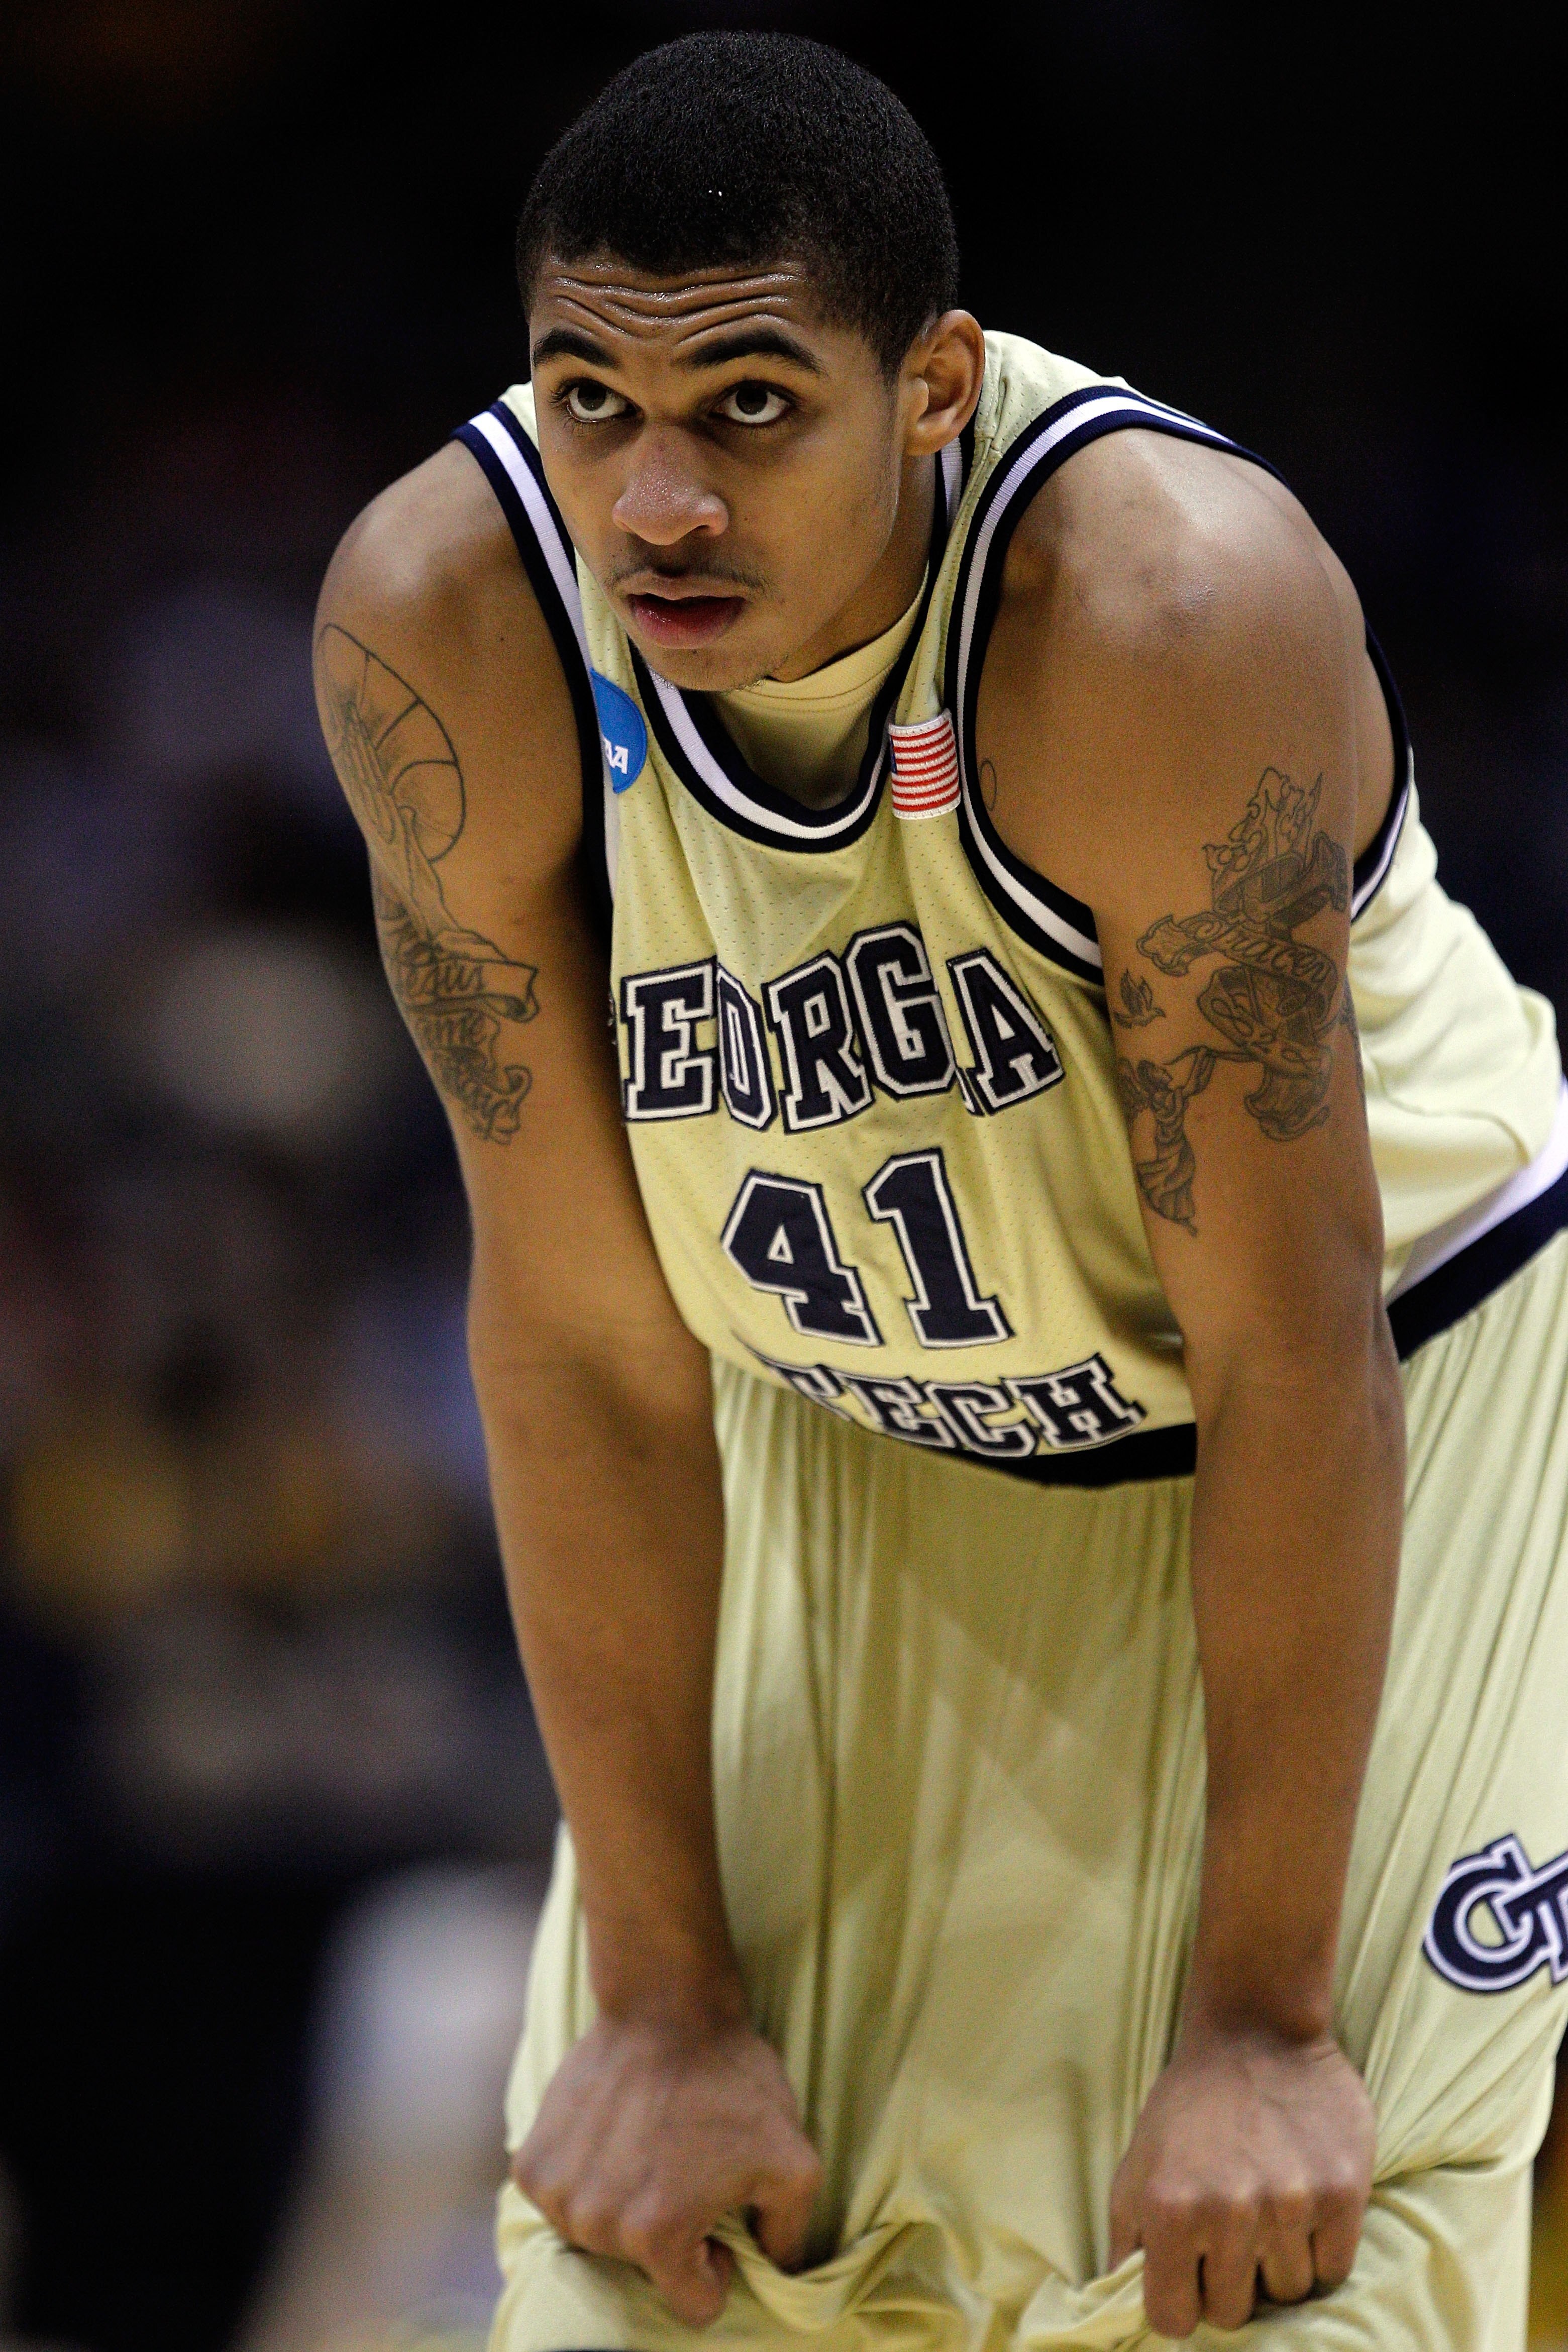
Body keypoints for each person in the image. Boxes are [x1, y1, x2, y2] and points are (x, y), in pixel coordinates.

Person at [312, 33, 1568, 2350]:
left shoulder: (1153, 613)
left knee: (1273, 2280)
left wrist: (1266, 2026)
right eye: (591, 400)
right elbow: (583, 1336)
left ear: (931, 386)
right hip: (862, 1408)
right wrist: (668, 1999)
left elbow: (1287, 1346)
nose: (657, 497)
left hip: (1374, 1381)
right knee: (652, 2268)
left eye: (749, 408)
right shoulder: (448, 625)